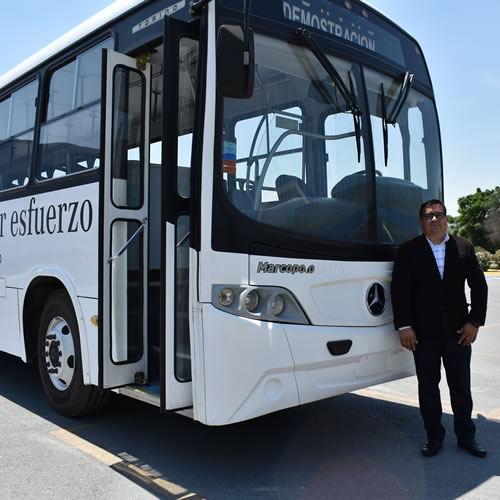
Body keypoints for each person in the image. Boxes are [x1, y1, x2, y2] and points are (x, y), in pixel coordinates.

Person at [391, 199, 488, 457]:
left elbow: (479, 286)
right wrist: (404, 326)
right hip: (422, 335)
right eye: (428, 215)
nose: (434, 219)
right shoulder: (409, 250)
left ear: (446, 219)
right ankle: (434, 438)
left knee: (461, 387)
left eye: (439, 215)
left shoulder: (463, 247)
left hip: (459, 333)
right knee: (428, 387)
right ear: (421, 221)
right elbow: (400, 291)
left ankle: (467, 437)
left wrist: (474, 322)